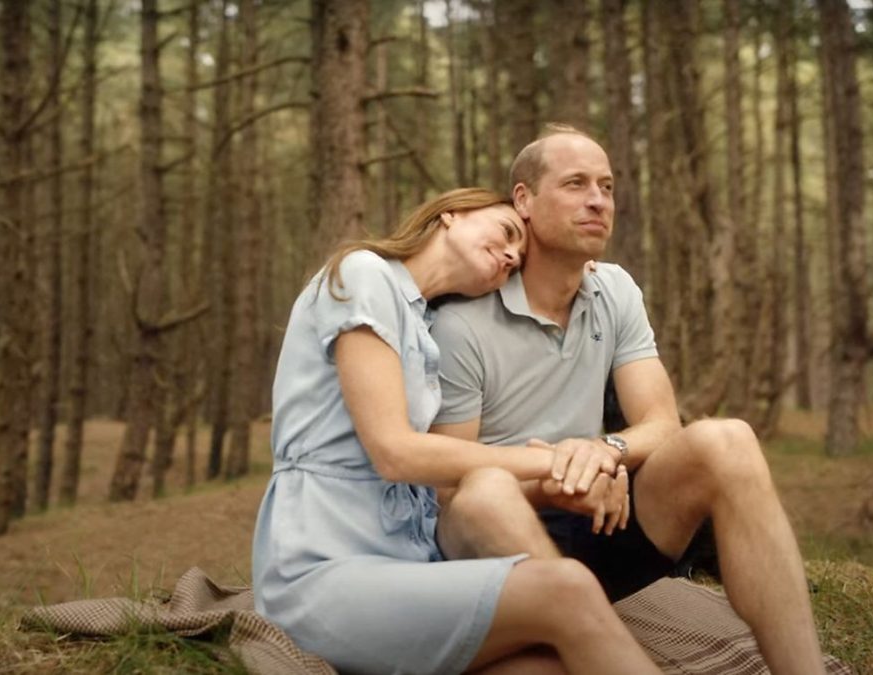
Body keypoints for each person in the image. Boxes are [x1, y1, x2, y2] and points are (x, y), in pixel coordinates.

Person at [430, 124, 827, 674]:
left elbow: (660, 423)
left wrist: (605, 451)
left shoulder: (615, 289)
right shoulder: (462, 322)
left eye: (607, 186)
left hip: (600, 521)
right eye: (575, 184)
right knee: (482, 492)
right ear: (524, 199)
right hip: (498, 550)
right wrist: (557, 481)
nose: (597, 200)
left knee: (726, 439)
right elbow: (448, 491)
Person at [252, 187, 664, 675]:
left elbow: (444, 477)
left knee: (546, 664)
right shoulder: (366, 275)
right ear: (451, 213)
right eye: (507, 232)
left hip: (411, 563)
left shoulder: (426, 325)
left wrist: (570, 482)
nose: (511, 254)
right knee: (566, 587)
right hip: (323, 566)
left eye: (516, 262)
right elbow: (395, 453)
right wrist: (563, 460)